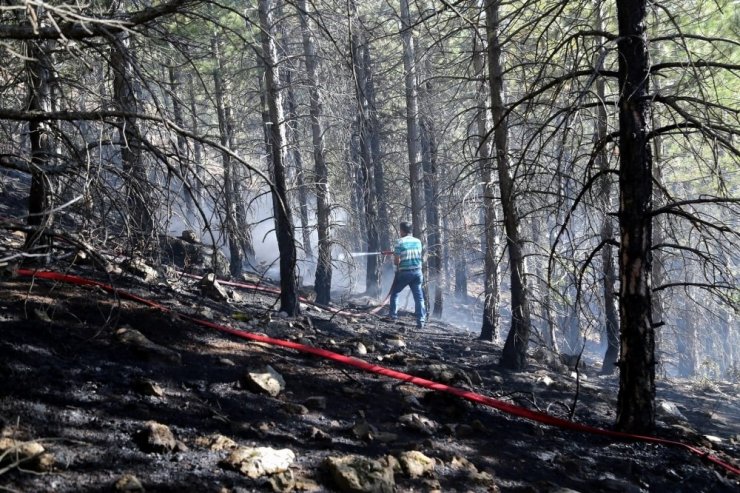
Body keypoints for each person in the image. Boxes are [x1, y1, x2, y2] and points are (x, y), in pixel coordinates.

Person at [389, 221, 426, 328]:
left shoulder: (399, 242)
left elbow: (397, 260)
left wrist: (396, 262)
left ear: (402, 230)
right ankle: (421, 321)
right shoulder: (418, 241)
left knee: (395, 293)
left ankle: (393, 316)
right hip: (417, 273)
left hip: (405, 273)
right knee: (419, 297)